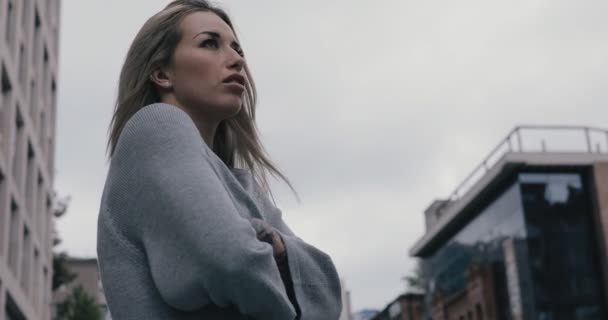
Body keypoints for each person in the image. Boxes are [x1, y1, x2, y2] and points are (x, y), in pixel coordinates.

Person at [96, 1, 342, 319]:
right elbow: (230, 257)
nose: (237, 59)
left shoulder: (239, 184)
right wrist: (279, 255)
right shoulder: (155, 127)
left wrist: (270, 244)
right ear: (161, 73)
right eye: (210, 43)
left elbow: (325, 294)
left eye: (237, 48)